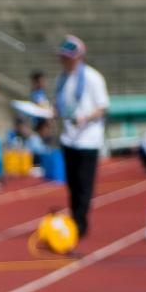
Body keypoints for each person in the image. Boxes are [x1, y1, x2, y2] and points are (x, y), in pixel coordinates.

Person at [55, 34, 110, 238]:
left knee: (84, 184)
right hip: (69, 138)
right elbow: (60, 105)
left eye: (67, 57)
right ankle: (75, 218)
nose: (63, 61)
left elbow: (102, 107)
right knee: (72, 184)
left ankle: (80, 223)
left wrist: (85, 118)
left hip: (88, 139)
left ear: (77, 57)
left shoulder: (93, 78)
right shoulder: (62, 78)